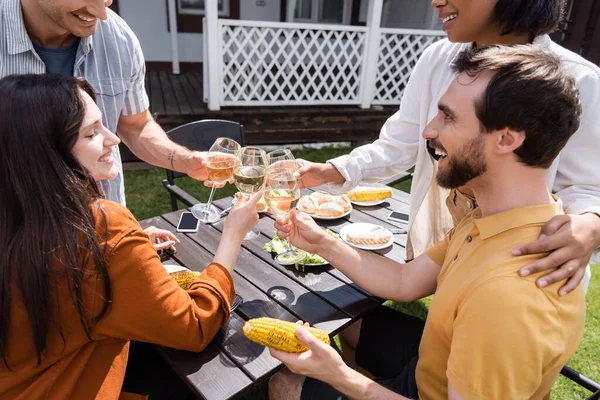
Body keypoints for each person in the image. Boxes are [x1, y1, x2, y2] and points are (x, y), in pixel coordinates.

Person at [269, 45, 586, 400]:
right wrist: (320, 242)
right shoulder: (491, 217)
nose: (428, 131)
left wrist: (341, 378)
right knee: (350, 322)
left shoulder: (509, 297)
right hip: (434, 364)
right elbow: (405, 281)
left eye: (448, 117)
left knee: (284, 385)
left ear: (507, 139)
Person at [295, 0, 600, 295]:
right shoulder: (438, 57)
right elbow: (401, 141)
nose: (436, 2)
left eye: (448, 117)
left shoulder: (579, 80)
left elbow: (589, 187)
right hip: (451, 249)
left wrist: (590, 224)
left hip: (523, 263)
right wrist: (330, 172)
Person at [0, 74, 261, 399]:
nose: (114, 139)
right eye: (92, 133)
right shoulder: (102, 228)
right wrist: (233, 234)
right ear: (46, 151)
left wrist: (128, 249)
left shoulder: (20, 218)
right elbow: (195, 325)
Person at [0, 0, 212, 206]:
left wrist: (185, 161)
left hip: (106, 222)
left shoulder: (120, 38)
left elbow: (136, 125)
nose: (101, 14)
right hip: (16, 229)